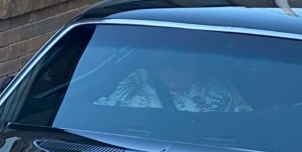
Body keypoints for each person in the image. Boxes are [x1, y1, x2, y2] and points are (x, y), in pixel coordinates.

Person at [95, 55, 251, 113]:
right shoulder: (139, 79)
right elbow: (103, 113)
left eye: (178, 66)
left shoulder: (218, 89)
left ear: (198, 66)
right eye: (164, 64)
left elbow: (245, 126)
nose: (170, 71)